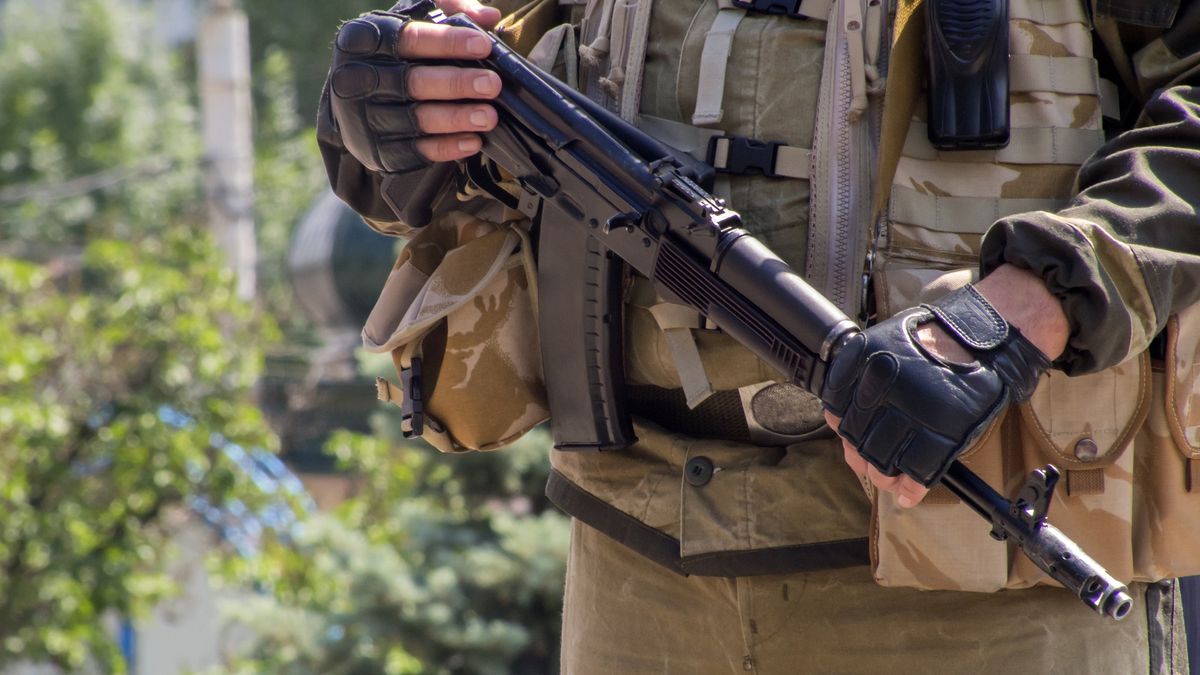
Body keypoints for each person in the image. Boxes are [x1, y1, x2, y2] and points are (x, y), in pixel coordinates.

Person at [318, 0, 1200, 671]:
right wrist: (384, 110)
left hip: (983, 587)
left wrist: (1032, 302)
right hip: (636, 571)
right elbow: (450, 84)